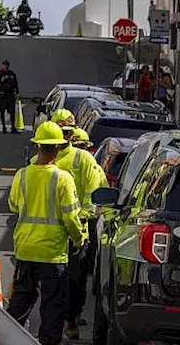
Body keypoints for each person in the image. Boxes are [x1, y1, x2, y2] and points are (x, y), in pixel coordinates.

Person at [7, 121, 87, 345]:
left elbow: (13, 205)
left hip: (24, 249)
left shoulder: (22, 175)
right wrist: (78, 239)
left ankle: (7, 337)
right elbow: (70, 217)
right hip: (52, 253)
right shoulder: (63, 179)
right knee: (53, 305)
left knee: (21, 300)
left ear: (37, 148)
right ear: (59, 149)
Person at [64, 126, 108, 340]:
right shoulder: (90, 164)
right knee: (75, 277)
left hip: (78, 225)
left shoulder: (46, 161)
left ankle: (69, 317)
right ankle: (70, 318)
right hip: (80, 225)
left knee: (73, 277)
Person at [0, 60, 20, 133]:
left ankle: (13, 127)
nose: (5, 67)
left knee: (12, 112)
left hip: (10, 95)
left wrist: (17, 92)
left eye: (7, 65)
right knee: (2, 111)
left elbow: (16, 84)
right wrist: (1, 80)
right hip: (2, 95)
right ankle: (4, 127)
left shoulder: (12, 74)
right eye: (4, 65)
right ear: (2, 66)